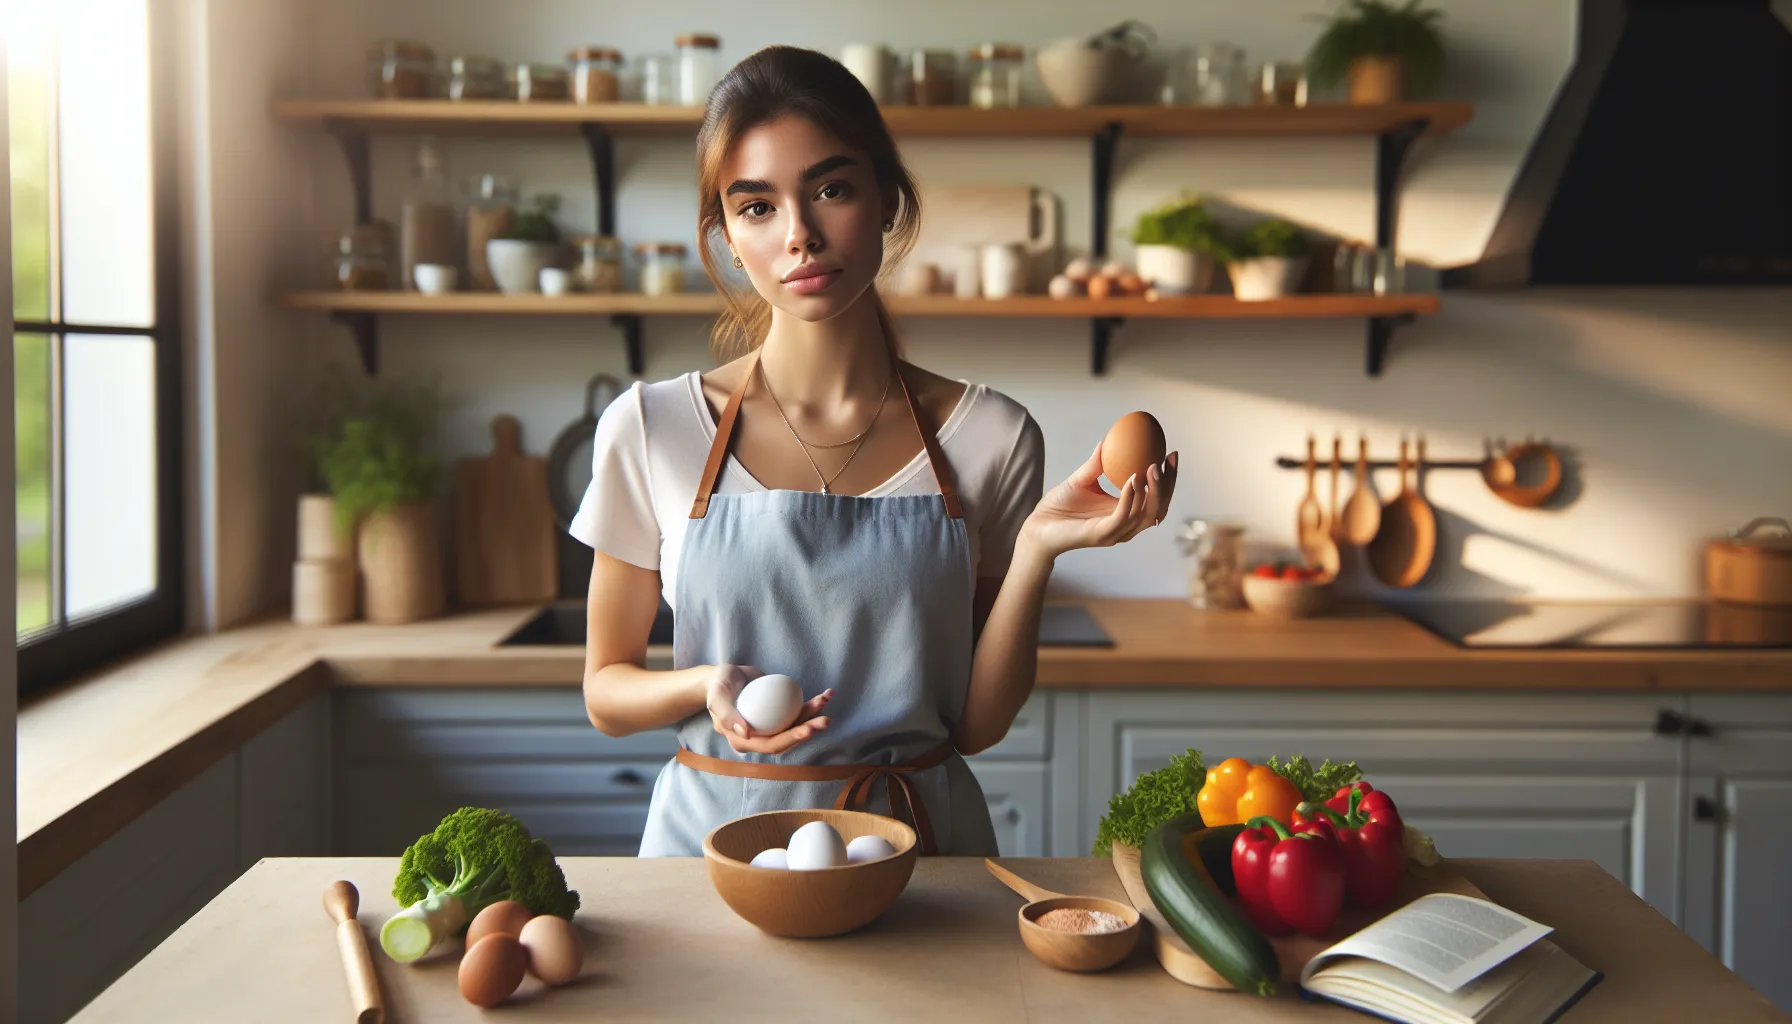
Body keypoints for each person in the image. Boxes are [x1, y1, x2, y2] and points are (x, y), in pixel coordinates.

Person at [570, 45, 1177, 858]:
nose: (800, 237)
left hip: (919, 861)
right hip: (710, 862)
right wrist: (701, 685)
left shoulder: (992, 437)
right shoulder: (649, 427)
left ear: (887, 198)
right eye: (757, 208)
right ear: (725, 234)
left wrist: (1037, 549)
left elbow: (976, 724)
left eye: (830, 189)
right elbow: (606, 694)